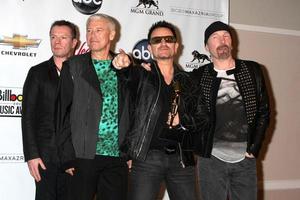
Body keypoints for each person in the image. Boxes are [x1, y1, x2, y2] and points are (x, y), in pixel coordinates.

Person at [115, 20, 206, 200]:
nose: (163, 43)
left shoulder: (189, 80)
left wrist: (183, 120)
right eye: (157, 40)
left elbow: (203, 117)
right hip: (147, 158)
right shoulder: (142, 75)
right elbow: (126, 75)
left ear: (176, 45)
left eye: (168, 39)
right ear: (150, 47)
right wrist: (120, 64)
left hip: (182, 159)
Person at [55, 14, 131, 200]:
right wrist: (67, 157)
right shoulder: (73, 66)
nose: (92, 35)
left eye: (98, 30)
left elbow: (133, 111)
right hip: (83, 156)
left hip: (116, 157)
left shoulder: (125, 67)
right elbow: (62, 113)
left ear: (112, 35)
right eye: (89, 30)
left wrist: (130, 152)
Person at [192, 21, 270, 200]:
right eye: (215, 37)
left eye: (226, 35)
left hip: (245, 159)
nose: (222, 40)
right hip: (211, 159)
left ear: (232, 43)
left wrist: (254, 148)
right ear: (206, 46)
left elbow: (264, 112)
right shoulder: (198, 76)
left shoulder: (252, 70)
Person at [21, 20, 78, 200]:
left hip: (75, 156)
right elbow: (28, 116)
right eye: (53, 37)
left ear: (74, 43)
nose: (57, 41)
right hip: (44, 157)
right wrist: (32, 155)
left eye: (63, 37)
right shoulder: (37, 73)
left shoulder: (83, 73)